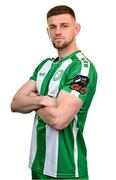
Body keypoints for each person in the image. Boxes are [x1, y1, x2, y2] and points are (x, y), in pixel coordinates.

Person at [11, 5, 97, 180]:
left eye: (64, 26)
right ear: (47, 31)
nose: (58, 31)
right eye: (52, 27)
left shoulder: (81, 67)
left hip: (67, 170)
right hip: (38, 165)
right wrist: (44, 99)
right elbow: (15, 103)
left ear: (76, 29)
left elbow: (59, 120)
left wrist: (33, 100)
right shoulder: (45, 65)